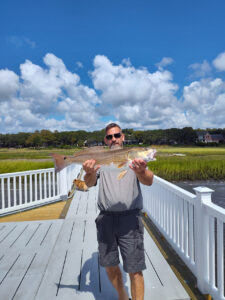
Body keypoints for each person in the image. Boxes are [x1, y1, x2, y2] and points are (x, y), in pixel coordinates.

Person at [83, 123, 154, 300]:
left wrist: (141, 171)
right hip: (106, 219)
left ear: (123, 137)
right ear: (105, 140)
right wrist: (89, 172)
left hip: (130, 219)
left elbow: (149, 180)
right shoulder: (102, 158)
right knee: (110, 265)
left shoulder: (133, 159)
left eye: (117, 135)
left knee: (135, 269)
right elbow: (89, 183)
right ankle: (123, 297)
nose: (113, 139)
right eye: (109, 137)